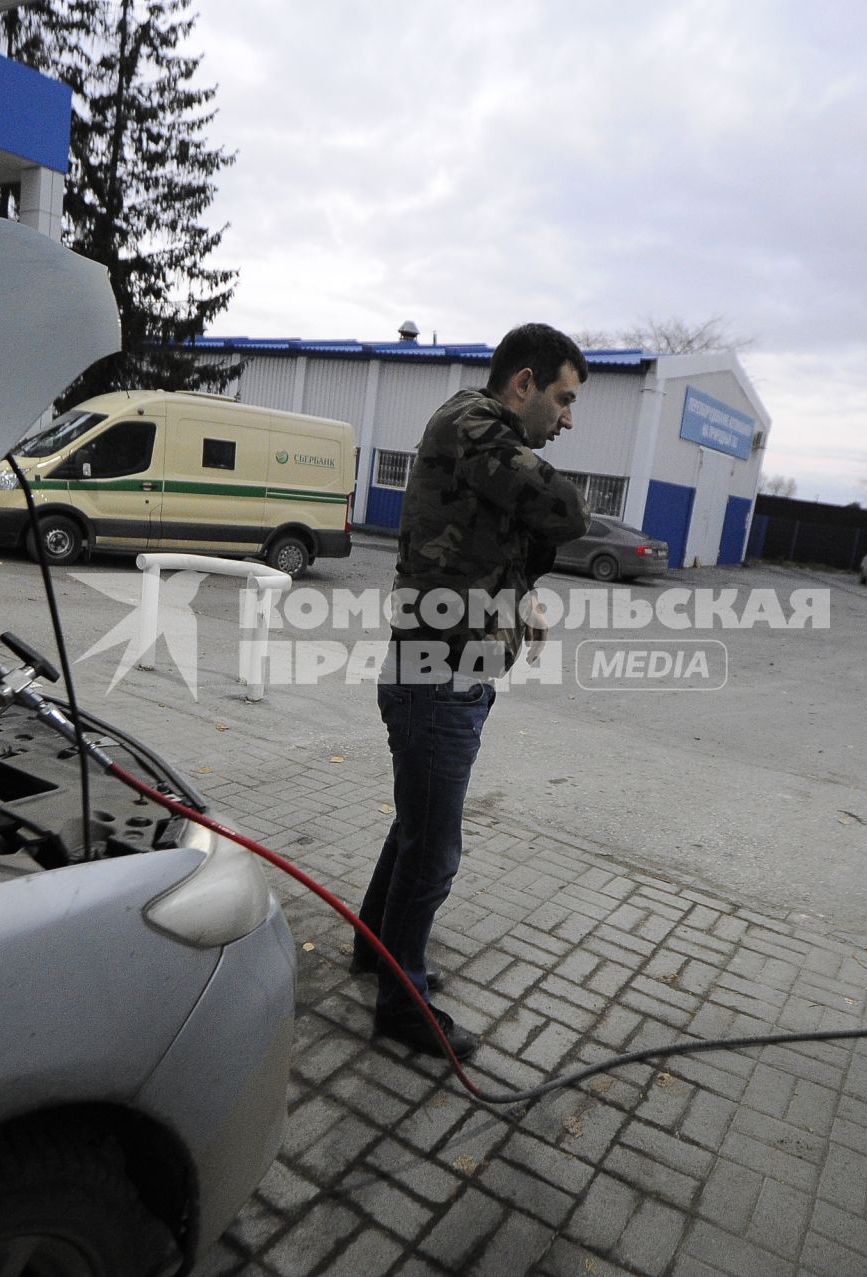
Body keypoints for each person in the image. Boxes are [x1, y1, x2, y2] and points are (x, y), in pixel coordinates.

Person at [352, 323, 591, 1058]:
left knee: (416, 826)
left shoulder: (483, 441)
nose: (568, 418)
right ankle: (402, 1001)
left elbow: (496, 543)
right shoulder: (473, 424)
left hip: (455, 670)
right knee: (435, 849)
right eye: (563, 397)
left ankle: (376, 950)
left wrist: (522, 607)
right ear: (523, 383)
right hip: (437, 675)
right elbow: (565, 512)